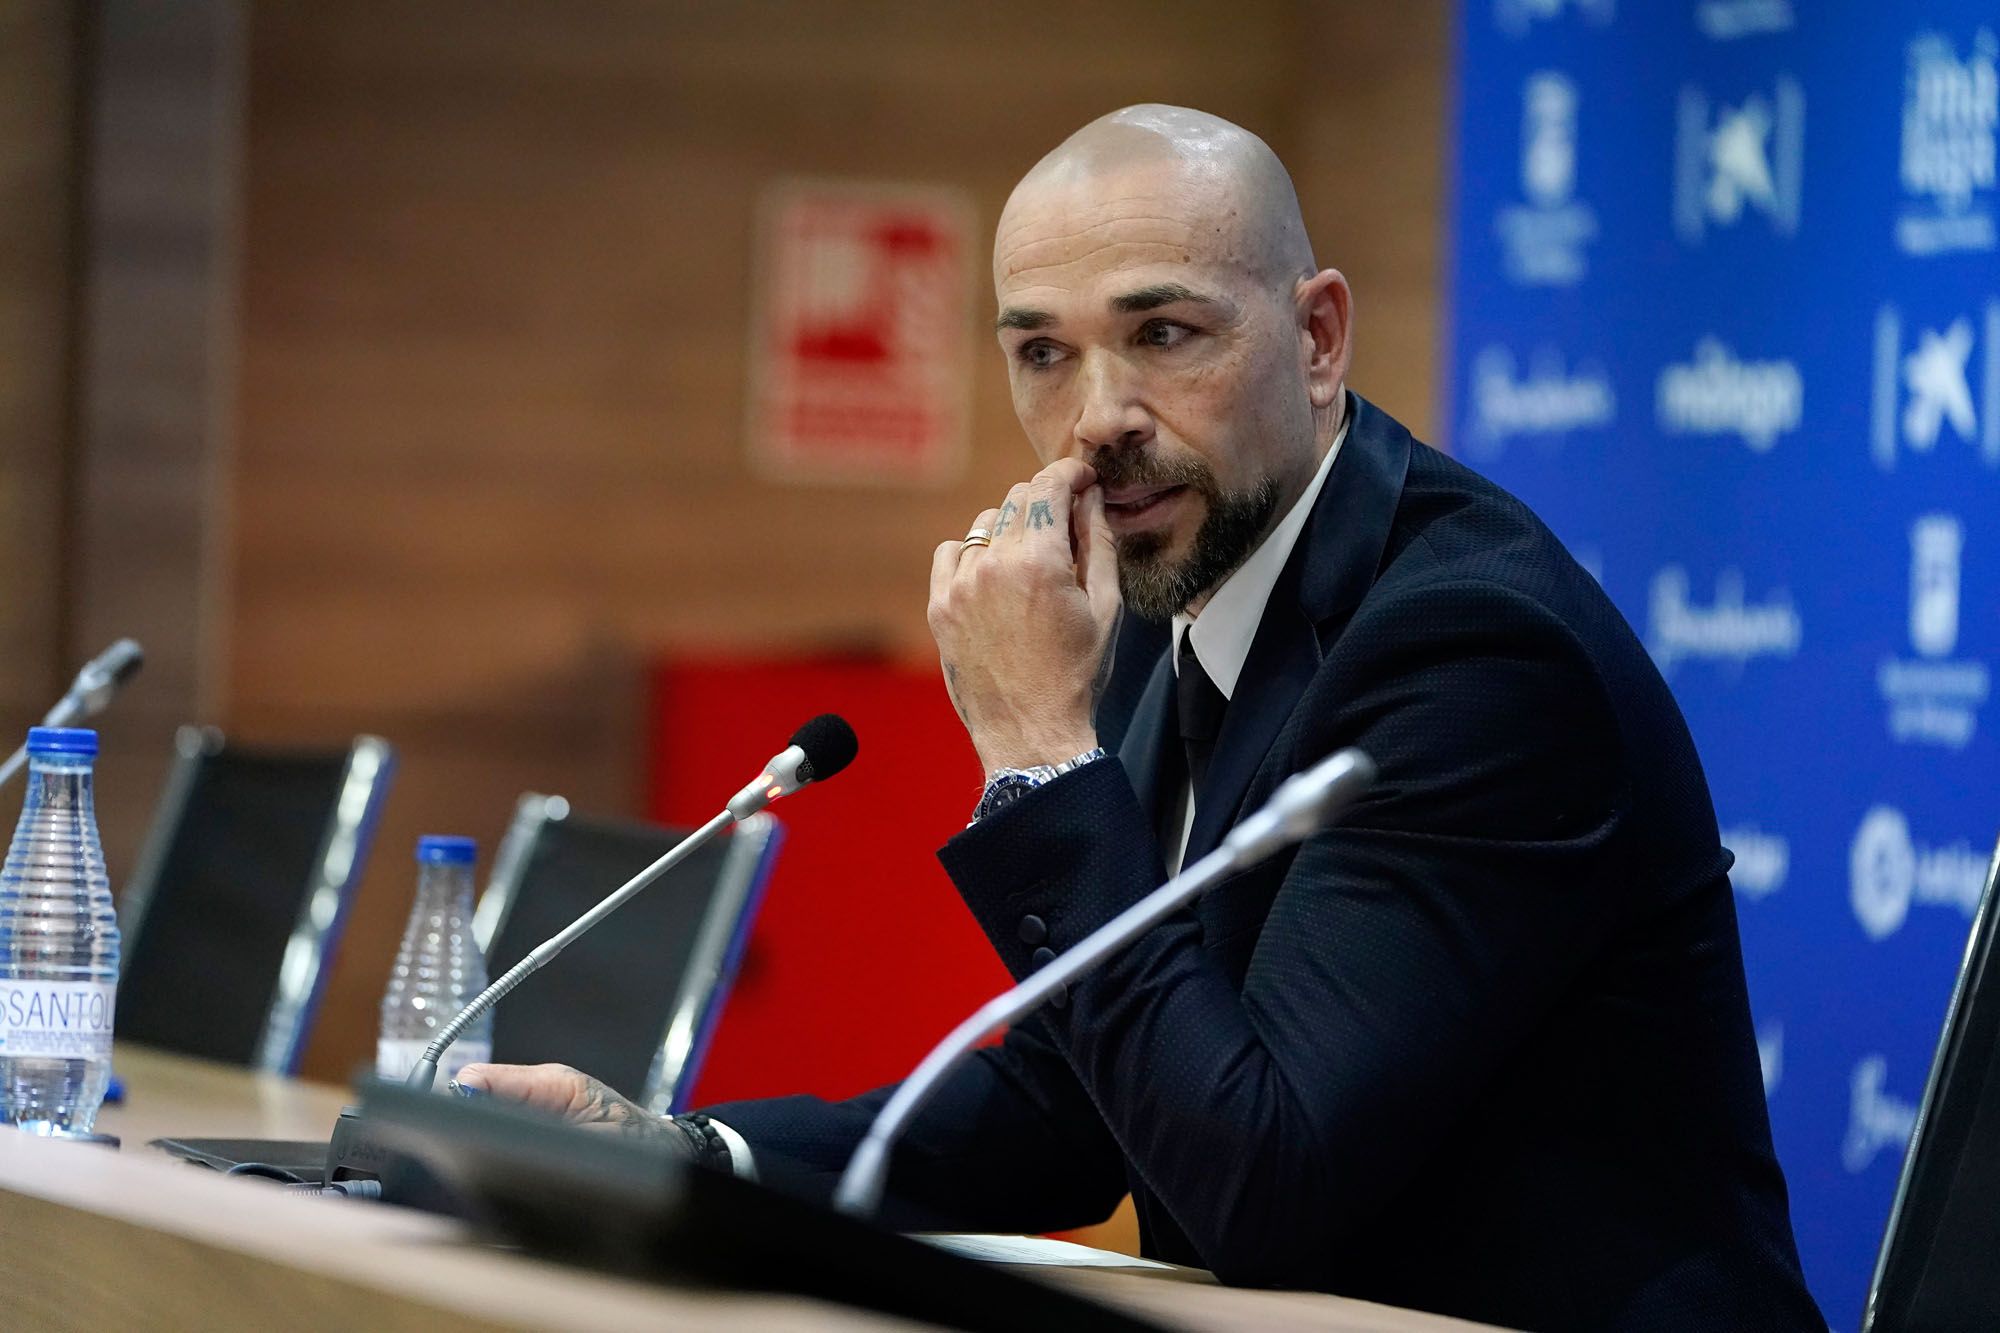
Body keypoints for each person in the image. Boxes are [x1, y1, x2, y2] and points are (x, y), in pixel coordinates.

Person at [456, 105, 1825, 1332]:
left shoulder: (1471, 652)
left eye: (1163, 335)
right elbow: (1073, 1103)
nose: (1096, 419)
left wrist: (1043, 756)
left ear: (1319, 335)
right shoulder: (1173, 590)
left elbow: (1263, 1184)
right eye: (1043, 353)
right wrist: (689, 1158)